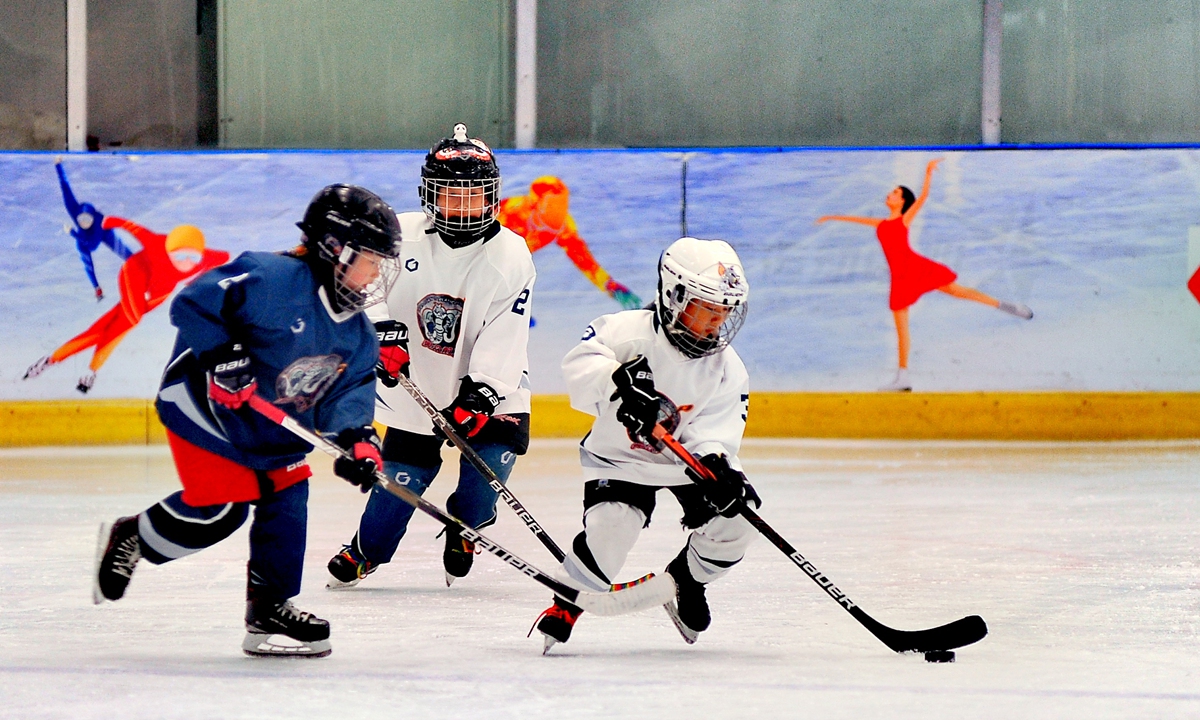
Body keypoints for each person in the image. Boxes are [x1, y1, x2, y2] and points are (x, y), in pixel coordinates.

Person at [92, 184, 403, 658]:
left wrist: (360, 442)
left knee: (289, 492)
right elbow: (193, 301)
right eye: (371, 259)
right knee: (223, 510)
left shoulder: (357, 332)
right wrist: (222, 354)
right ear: (335, 247)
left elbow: (351, 393)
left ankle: (270, 608)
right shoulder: (270, 276)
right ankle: (133, 536)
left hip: (269, 431)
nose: (376, 273)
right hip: (202, 406)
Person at [327, 124, 537, 589]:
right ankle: (367, 550)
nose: (463, 206)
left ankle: (466, 528)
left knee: (483, 488)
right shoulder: (395, 234)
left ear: (493, 198)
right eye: (451, 194)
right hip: (416, 382)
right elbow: (358, 283)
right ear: (429, 195)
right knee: (397, 489)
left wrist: (481, 394)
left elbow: (507, 333)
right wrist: (380, 329)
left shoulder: (511, 255)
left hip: (494, 392)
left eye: (474, 195)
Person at [533, 236, 758, 652]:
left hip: (685, 462)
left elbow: (716, 429)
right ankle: (568, 604)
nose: (716, 323)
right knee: (612, 527)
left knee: (738, 518)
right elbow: (580, 368)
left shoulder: (727, 369)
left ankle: (687, 582)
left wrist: (718, 464)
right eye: (708, 309)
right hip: (620, 460)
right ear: (674, 297)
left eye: (724, 312)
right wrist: (618, 385)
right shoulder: (625, 332)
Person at [816, 158, 1033, 391]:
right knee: (901, 328)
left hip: (915, 268)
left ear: (902, 202)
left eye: (895, 193)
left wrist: (928, 172)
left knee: (958, 292)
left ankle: (1005, 306)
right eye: (892, 191)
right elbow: (858, 220)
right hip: (900, 279)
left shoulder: (903, 220)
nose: (890, 194)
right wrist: (833, 217)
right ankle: (903, 377)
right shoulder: (881, 224)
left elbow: (922, 199)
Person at [22, 215, 228, 393]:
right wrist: (107, 222)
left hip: (160, 287)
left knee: (110, 324)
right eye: (180, 255)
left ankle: (55, 360)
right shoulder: (155, 242)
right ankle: (87, 370)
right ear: (168, 250)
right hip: (135, 274)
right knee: (130, 320)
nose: (187, 262)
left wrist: (204, 278)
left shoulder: (203, 260)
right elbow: (133, 228)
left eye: (193, 257)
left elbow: (225, 257)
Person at [498, 175, 641, 309]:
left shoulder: (563, 227)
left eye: (562, 205)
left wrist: (610, 285)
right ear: (535, 205)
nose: (557, 213)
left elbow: (585, 261)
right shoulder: (508, 213)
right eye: (552, 206)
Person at [54, 158, 136, 301]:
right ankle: (96, 288)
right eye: (81, 220)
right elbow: (66, 189)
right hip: (85, 239)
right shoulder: (74, 210)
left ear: (93, 217)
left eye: (87, 220)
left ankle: (142, 264)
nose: (84, 223)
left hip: (101, 233)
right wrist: (58, 166)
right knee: (86, 260)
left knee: (123, 250)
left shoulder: (98, 223)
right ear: (77, 216)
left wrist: (73, 233)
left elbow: (92, 243)